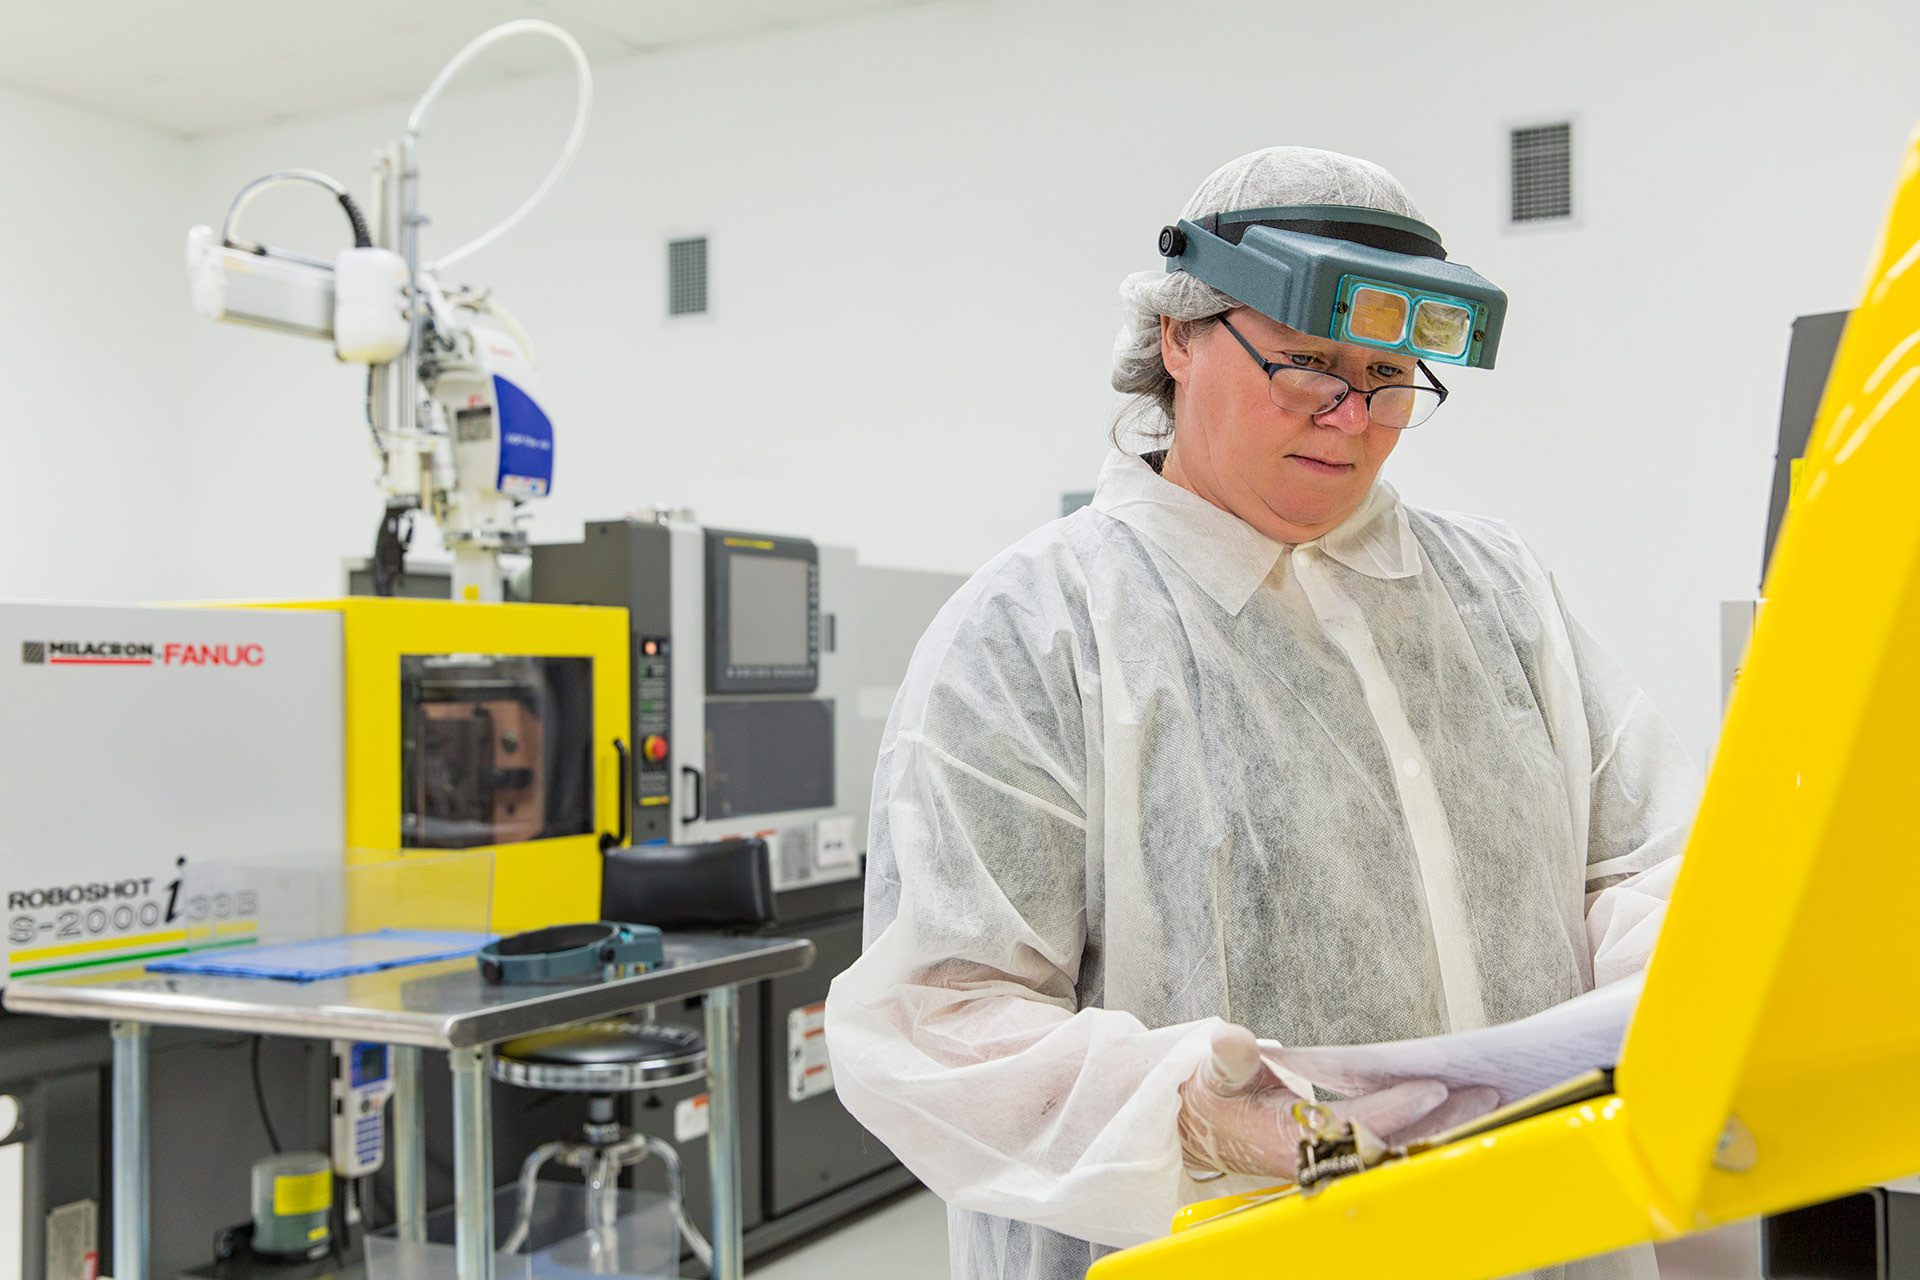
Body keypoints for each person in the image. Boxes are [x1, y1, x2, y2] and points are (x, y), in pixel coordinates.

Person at [824, 146, 1697, 1280]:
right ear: (1178, 338)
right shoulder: (1039, 629)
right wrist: (1189, 1112)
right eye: (1306, 367)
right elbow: (936, 1019)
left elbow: (1641, 857)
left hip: (1531, 1236)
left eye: (1391, 381)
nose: (1352, 418)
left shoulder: (1499, 592)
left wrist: (1664, 990)